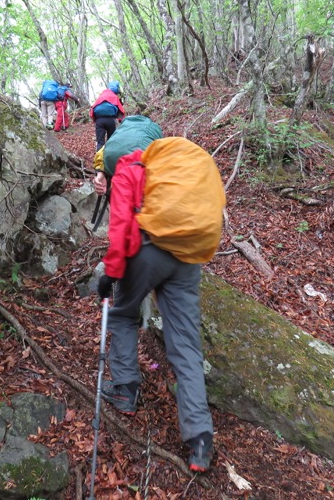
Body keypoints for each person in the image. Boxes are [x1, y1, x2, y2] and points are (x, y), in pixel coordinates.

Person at [96, 134, 215, 474]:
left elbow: (120, 227)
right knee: (186, 345)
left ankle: (125, 390)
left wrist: (110, 274)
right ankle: (200, 439)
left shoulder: (127, 168)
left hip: (148, 253)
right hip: (188, 258)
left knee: (122, 314)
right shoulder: (171, 168)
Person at [90, 81, 125, 150]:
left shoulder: (101, 96)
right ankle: (109, 157)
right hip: (111, 120)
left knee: (100, 142)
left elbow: (93, 109)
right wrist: (121, 121)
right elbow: (121, 110)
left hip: (99, 120)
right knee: (111, 141)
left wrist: (95, 120)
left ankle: (99, 159)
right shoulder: (114, 97)